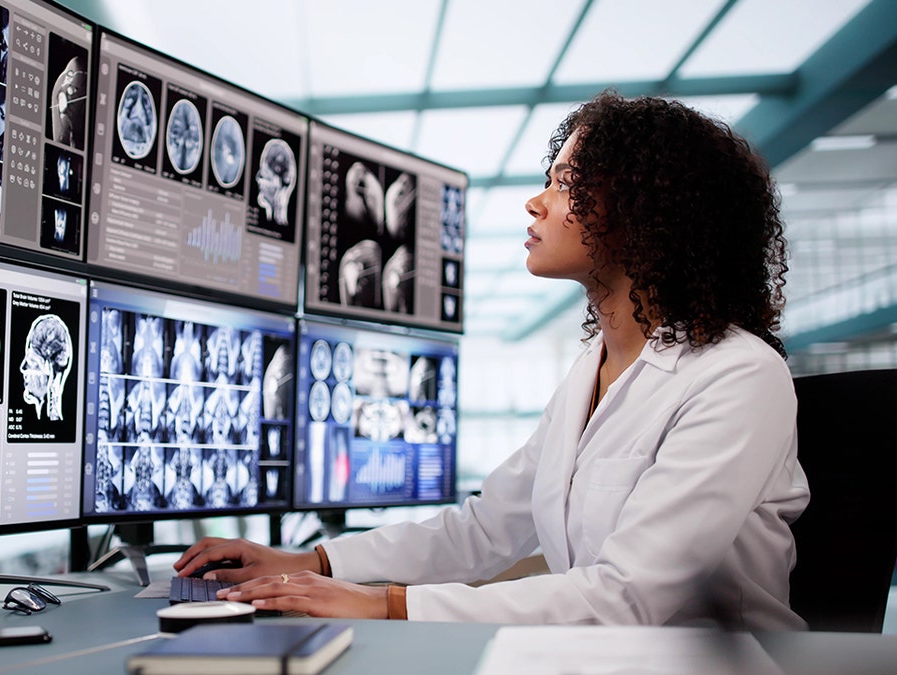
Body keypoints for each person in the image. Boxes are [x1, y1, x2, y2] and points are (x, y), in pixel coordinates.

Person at [174, 92, 811, 630]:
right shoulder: (592, 368)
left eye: (566, 185)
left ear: (651, 214)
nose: (536, 203)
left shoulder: (738, 375)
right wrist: (310, 564)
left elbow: (632, 594)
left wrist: (386, 605)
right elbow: (483, 528)